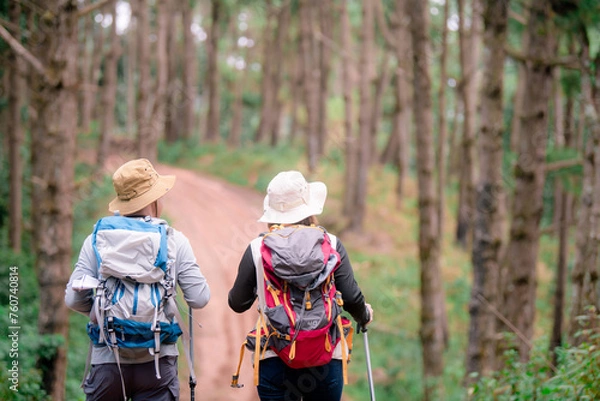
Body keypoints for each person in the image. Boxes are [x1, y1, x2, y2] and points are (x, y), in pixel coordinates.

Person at [65, 158, 210, 401]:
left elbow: (73, 298)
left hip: (107, 363)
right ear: (154, 199)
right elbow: (200, 298)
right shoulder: (175, 241)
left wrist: (102, 312)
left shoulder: (96, 239)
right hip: (158, 365)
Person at [228, 170, 373, 401]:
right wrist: (364, 314)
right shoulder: (332, 244)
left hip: (274, 356)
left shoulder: (258, 249)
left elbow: (237, 303)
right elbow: (352, 298)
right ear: (309, 209)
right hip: (324, 358)